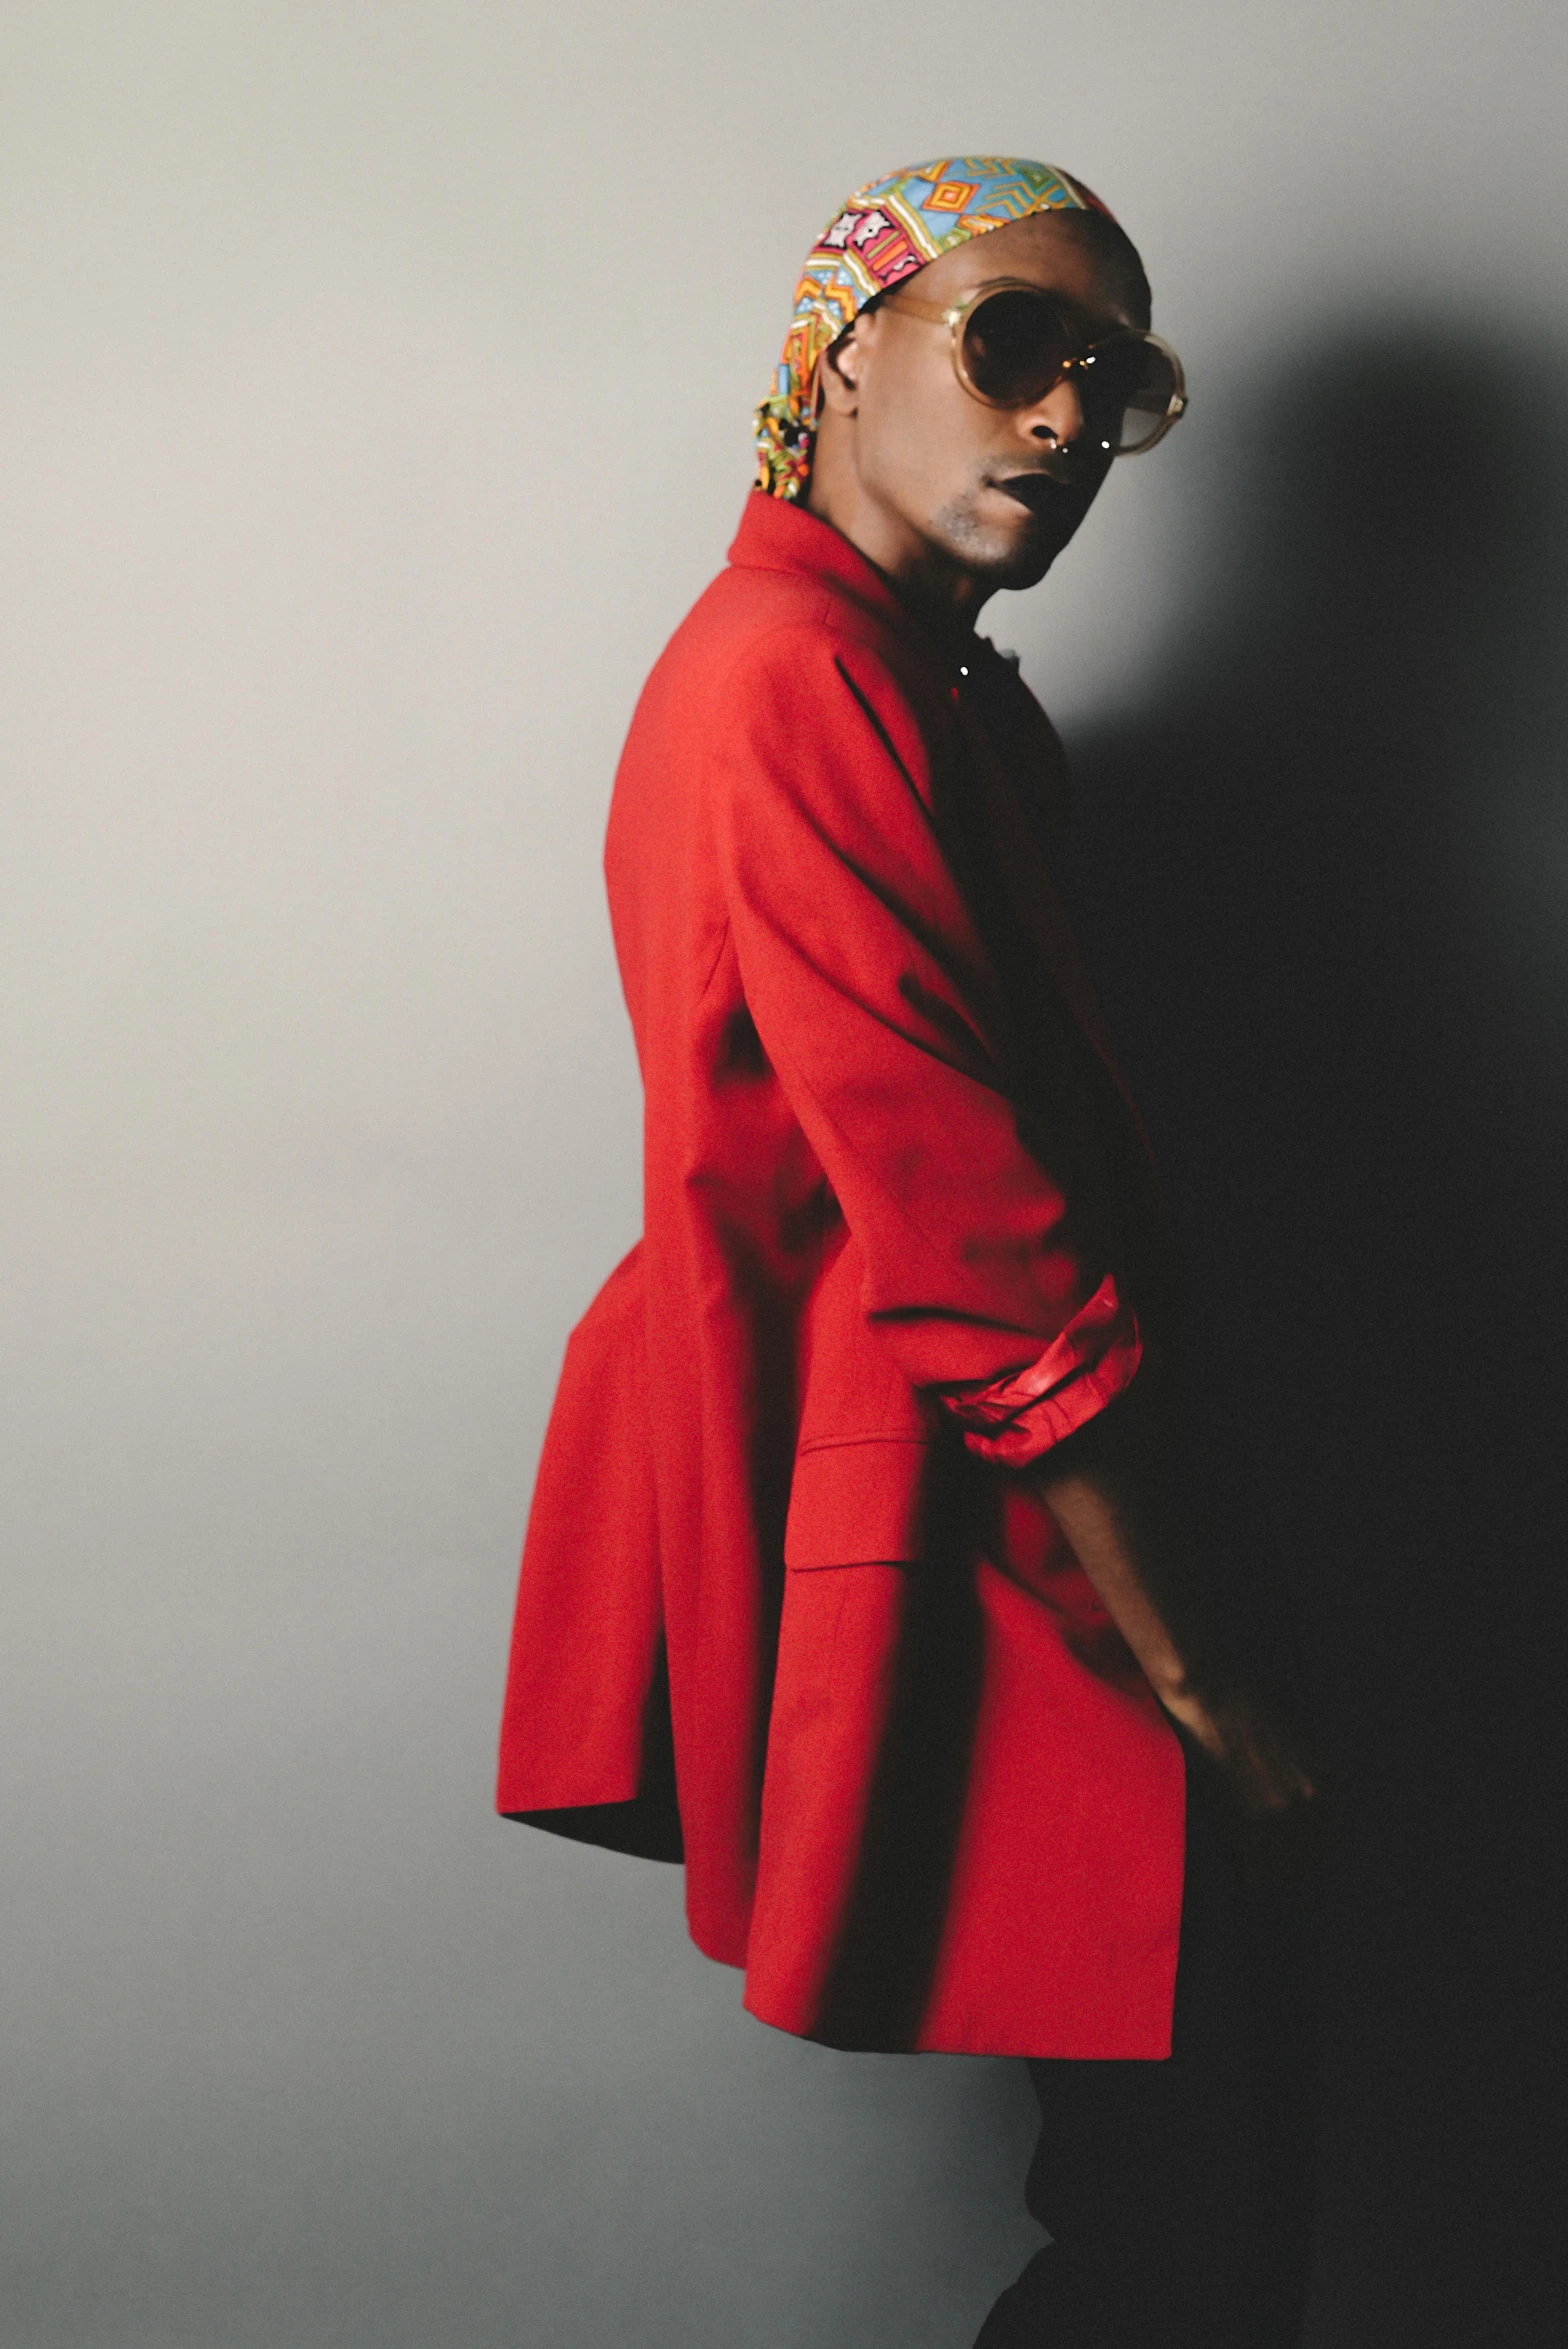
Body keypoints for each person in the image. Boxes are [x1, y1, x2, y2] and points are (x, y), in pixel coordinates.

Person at [497, 158, 1320, 2346]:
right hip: (995, 1537)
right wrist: (1198, 1667)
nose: (1065, 420)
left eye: (1115, 382)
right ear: (847, 349)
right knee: (1191, 2223)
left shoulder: (919, 686)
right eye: (1013, 344)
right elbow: (971, 1230)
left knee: (1180, 2207)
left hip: (995, 1509)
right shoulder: (797, 677)